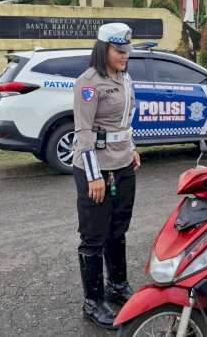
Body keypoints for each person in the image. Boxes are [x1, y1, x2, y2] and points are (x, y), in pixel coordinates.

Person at [72, 22, 141, 329]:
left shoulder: (124, 78)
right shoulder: (89, 82)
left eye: (127, 50)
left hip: (124, 164)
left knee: (118, 229)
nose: (124, 55)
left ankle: (117, 285)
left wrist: (132, 147)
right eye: (118, 50)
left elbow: (124, 121)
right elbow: (84, 132)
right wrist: (94, 176)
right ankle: (93, 301)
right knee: (94, 236)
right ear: (103, 49)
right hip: (95, 168)